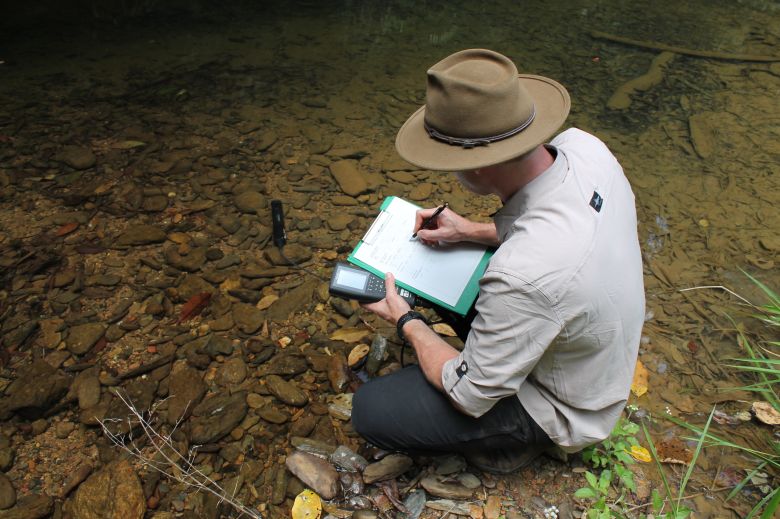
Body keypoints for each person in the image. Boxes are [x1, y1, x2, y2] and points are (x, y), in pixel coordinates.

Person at [351, 49, 645, 473]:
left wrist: (405, 320)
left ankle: (512, 446)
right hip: (586, 348)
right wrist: (467, 231)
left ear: (478, 169)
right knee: (457, 281)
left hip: (567, 405)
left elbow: (466, 393)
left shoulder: (523, 275)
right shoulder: (584, 147)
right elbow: (560, 226)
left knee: (371, 411)